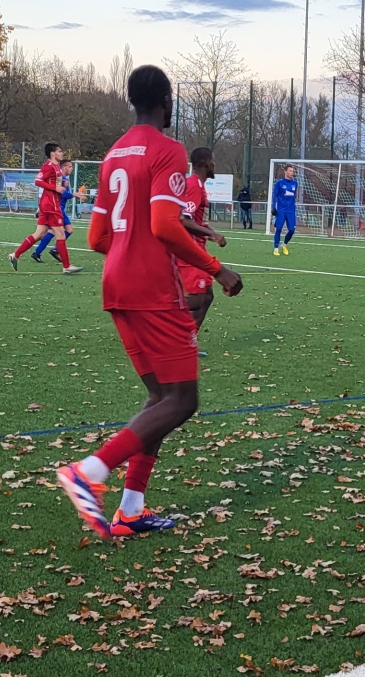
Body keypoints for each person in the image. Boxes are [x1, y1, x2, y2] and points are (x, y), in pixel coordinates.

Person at [58, 65, 242, 539]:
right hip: (152, 288)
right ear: (166, 100)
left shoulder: (114, 154)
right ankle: (89, 473)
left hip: (116, 285)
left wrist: (128, 249)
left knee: (160, 397)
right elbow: (164, 225)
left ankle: (130, 510)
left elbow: (97, 237)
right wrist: (216, 269)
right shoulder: (168, 150)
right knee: (182, 400)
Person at [178, 147, 229, 357]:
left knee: (207, 297)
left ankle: (186, 343)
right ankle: (158, 316)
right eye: (212, 161)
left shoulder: (198, 185)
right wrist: (212, 234)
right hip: (189, 251)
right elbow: (184, 220)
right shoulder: (193, 185)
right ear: (204, 163)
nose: (214, 165)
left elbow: (194, 220)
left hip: (198, 249)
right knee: (198, 298)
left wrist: (208, 231)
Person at [10, 144, 81, 274]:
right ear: (53, 154)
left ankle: (15, 255)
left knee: (39, 234)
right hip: (51, 206)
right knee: (60, 234)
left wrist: (62, 184)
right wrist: (56, 188)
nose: (62, 153)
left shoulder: (57, 168)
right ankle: (66, 266)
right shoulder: (48, 166)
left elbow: (53, 182)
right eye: (59, 151)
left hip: (48, 204)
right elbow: (38, 181)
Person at [270, 165, 298, 255]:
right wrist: (274, 207)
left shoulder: (295, 183)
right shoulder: (279, 183)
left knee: (292, 230)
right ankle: (276, 248)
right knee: (278, 229)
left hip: (291, 210)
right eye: (290, 171)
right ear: (285, 172)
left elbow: (294, 196)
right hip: (281, 210)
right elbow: (275, 196)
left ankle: (284, 244)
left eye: (292, 171)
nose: (292, 173)